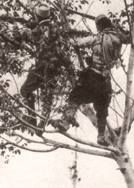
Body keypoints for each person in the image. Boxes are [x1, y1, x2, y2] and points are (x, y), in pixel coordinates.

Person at [51, 14, 125, 146]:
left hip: (94, 77)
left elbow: (77, 43)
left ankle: (65, 123)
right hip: (106, 81)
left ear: (100, 26)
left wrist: (70, 35)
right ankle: (101, 136)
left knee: (74, 97)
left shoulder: (97, 38)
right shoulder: (118, 39)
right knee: (102, 109)